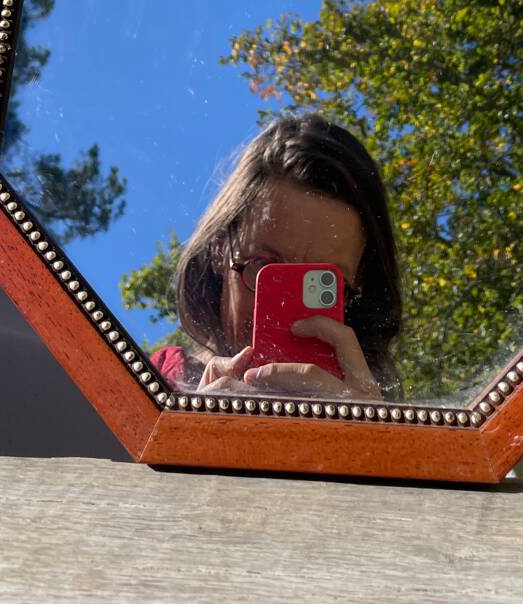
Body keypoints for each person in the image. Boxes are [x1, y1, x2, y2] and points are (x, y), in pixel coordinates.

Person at [150, 113, 401, 400]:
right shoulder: (147, 390)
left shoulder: (392, 420)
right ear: (219, 248)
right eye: (265, 268)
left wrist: (368, 434)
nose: (287, 313)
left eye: (323, 286)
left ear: (358, 295)